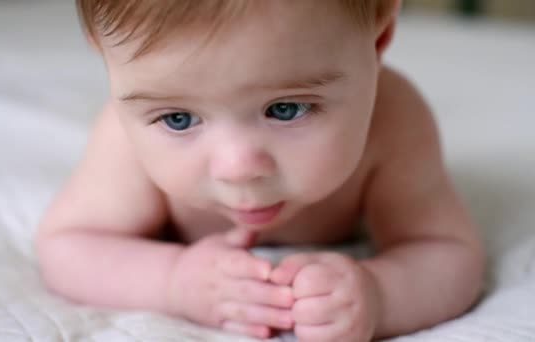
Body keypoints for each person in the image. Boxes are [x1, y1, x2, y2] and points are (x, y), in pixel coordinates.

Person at [36, 1, 485, 340]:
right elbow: (68, 245)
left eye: (286, 109)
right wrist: (173, 281)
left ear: (379, 34)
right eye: (178, 119)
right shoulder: (123, 139)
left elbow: (448, 251)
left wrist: (381, 295)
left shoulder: (394, 121)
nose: (237, 169)